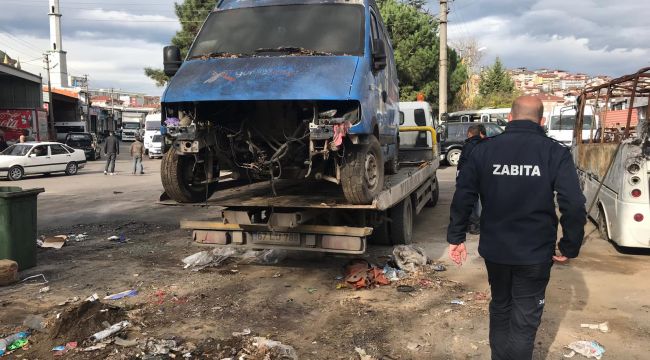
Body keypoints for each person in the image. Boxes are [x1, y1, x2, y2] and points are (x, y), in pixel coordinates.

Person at [447, 96, 586, 360]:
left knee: (500, 306)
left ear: (509, 118)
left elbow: (464, 194)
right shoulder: (554, 152)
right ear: (542, 121)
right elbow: (574, 203)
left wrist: (456, 237)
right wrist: (570, 245)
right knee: (525, 316)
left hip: (496, 250)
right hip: (535, 252)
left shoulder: (484, 150)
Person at [457, 124, 487, 234]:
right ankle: (476, 224)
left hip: (468, 178)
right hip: (482, 178)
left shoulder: (467, 146)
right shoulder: (485, 144)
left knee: (469, 202)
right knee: (479, 202)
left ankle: (470, 224)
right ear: (480, 133)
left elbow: (462, 164)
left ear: (469, 134)